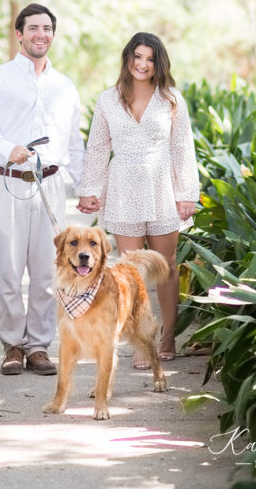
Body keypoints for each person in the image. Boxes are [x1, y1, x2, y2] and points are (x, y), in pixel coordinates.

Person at [0, 3, 85, 376]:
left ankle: (38, 348)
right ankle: (13, 345)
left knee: (48, 272)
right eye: (33, 28)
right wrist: (5, 147)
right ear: (19, 34)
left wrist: (87, 187)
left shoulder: (64, 86)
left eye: (47, 28)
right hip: (5, 182)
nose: (40, 35)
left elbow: (74, 143)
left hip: (49, 184)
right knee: (9, 271)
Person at [76, 32, 199, 364]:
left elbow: (183, 148)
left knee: (166, 267)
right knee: (131, 272)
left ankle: (168, 338)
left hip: (162, 187)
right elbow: (99, 147)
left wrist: (187, 193)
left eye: (150, 59)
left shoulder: (171, 98)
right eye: (138, 57)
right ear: (127, 58)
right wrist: (89, 190)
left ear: (159, 63)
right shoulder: (108, 99)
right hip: (123, 186)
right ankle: (141, 342)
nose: (143, 64)